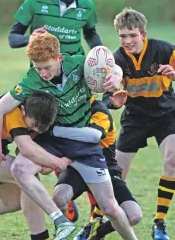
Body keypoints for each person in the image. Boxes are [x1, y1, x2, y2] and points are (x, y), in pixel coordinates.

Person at [0, 31, 138, 240]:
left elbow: (115, 67)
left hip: (84, 143)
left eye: (47, 67)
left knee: (111, 208)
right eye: (38, 68)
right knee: (19, 168)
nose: (44, 73)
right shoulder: (32, 80)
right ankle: (60, 220)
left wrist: (116, 78)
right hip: (53, 141)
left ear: (59, 58)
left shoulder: (78, 64)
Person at [8, 0, 103, 222]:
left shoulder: (86, 5)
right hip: (42, 88)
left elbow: (90, 32)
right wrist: (29, 38)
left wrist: (99, 53)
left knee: (83, 142)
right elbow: (12, 36)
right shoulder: (36, 0)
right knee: (35, 144)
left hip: (74, 82)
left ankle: (76, 198)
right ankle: (48, 207)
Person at [103, 7, 175, 240]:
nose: (128, 40)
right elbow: (108, 98)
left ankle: (160, 223)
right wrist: (114, 101)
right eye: (123, 36)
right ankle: (96, 221)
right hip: (135, 117)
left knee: (172, 159)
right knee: (116, 173)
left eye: (132, 35)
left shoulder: (164, 50)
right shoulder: (116, 60)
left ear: (143, 34)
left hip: (166, 113)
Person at [0, 91, 75, 240]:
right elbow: (27, 150)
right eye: (33, 126)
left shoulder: (38, 110)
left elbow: (22, 149)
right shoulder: (14, 114)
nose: (36, 130)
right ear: (23, 110)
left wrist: (48, 161)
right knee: (26, 175)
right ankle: (40, 236)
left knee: (13, 200)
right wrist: (59, 163)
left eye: (43, 128)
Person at [52, 92, 142, 240]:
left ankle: (98, 231)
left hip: (105, 170)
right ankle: (61, 230)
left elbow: (92, 136)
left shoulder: (100, 112)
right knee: (58, 198)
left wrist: (57, 131)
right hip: (76, 170)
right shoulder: (65, 111)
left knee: (134, 216)